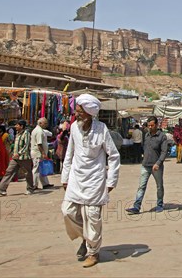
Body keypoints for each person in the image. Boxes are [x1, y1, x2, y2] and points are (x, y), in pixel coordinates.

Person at [61, 94, 120, 268]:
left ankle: (93, 252)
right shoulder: (73, 128)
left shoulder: (101, 129)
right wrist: (65, 177)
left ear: (89, 113)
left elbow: (114, 155)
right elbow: (69, 153)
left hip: (95, 180)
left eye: (79, 111)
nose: (76, 114)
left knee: (93, 218)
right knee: (67, 211)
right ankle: (86, 238)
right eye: (76, 111)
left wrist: (111, 181)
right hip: (76, 179)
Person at [126, 116, 168, 215]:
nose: (150, 127)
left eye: (152, 125)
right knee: (141, 186)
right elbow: (144, 147)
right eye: (149, 125)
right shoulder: (146, 135)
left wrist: (158, 163)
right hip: (145, 165)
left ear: (156, 125)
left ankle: (160, 204)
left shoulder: (162, 136)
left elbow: (164, 151)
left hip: (156, 166)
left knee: (159, 186)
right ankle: (136, 207)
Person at [0, 120, 35, 196]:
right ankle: (2, 189)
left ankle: (30, 188)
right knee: (9, 171)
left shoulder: (26, 133)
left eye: (17, 125)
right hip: (15, 158)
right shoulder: (17, 134)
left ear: (21, 126)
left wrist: (19, 153)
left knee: (27, 173)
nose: (15, 126)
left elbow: (26, 145)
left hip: (24, 157)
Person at [31, 117, 53, 190]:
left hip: (39, 153)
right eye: (45, 123)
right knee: (36, 169)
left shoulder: (40, 130)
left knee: (42, 168)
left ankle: (45, 183)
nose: (46, 125)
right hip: (38, 153)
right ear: (40, 123)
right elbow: (39, 144)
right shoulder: (39, 131)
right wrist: (43, 153)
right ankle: (34, 185)